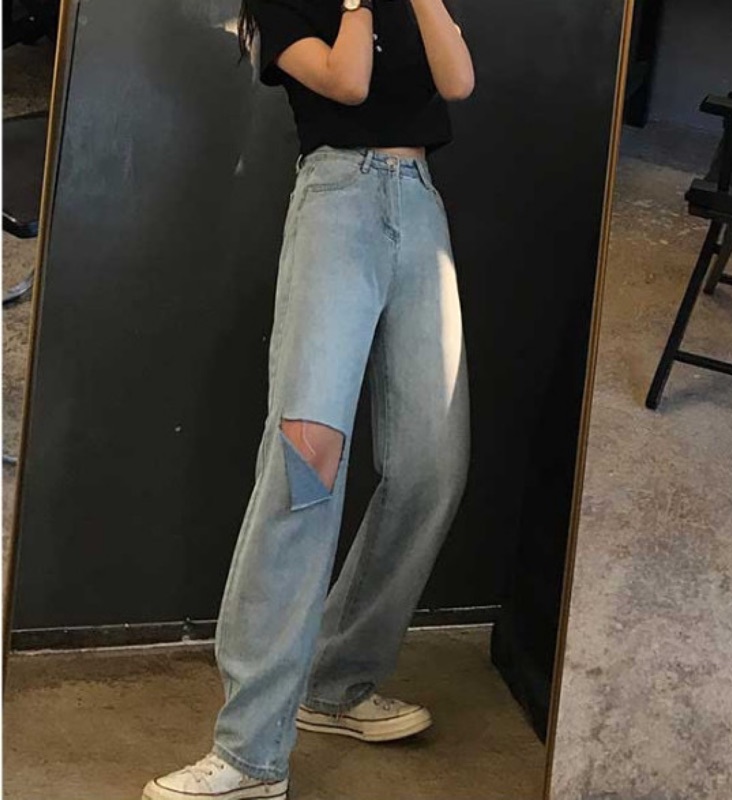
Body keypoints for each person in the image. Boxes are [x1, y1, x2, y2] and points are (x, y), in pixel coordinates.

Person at [143, 0, 474, 797]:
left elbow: (458, 79)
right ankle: (250, 752)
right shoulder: (283, 4)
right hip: (338, 205)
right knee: (306, 468)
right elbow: (348, 82)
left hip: (420, 206)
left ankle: (336, 682)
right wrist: (357, 3)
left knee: (433, 467)